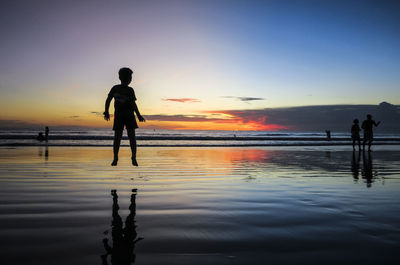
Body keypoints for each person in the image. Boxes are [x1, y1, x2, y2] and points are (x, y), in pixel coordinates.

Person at [104, 68, 145, 166]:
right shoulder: (115, 88)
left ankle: (133, 157)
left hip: (130, 115)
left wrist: (138, 115)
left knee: (132, 138)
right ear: (120, 77)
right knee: (117, 137)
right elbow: (108, 100)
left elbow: (133, 104)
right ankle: (115, 157)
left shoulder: (130, 90)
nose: (130, 79)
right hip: (119, 116)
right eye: (129, 77)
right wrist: (106, 111)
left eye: (130, 77)